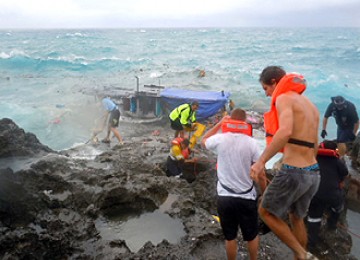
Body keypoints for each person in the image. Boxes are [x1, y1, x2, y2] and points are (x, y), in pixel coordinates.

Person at [250, 66, 320, 260]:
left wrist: (260, 162)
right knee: (296, 218)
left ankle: (301, 253)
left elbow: (285, 131)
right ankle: (302, 257)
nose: (267, 94)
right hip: (313, 172)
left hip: (294, 171)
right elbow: (315, 143)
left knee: (265, 211)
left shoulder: (283, 98)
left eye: (266, 88)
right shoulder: (309, 105)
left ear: (274, 82)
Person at [202, 108, 266, 260]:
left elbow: (204, 140)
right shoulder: (252, 143)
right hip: (247, 198)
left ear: (230, 121)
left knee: (230, 237)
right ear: (245, 122)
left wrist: (219, 124)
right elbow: (261, 173)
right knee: (251, 236)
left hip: (225, 197)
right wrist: (264, 192)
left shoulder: (220, 139)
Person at [307, 140, 348, 252]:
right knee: (338, 207)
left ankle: (311, 244)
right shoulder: (337, 161)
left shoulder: (314, 159)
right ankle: (332, 225)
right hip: (332, 194)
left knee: (314, 218)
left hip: (315, 194)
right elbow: (345, 173)